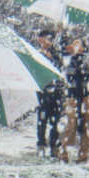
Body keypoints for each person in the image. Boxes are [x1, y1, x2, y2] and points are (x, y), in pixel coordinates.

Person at [58, 37, 89, 163]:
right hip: (72, 96)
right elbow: (68, 75)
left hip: (87, 95)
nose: (75, 46)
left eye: (78, 43)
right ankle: (64, 153)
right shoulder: (67, 59)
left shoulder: (88, 59)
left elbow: (88, 75)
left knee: (86, 126)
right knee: (71, 125)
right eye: (74, 43)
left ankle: (83, 155)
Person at [36, 30, 66, 158]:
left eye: (49, 39)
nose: (46, 42)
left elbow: (60, 67)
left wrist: (51, 58)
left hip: (56, 90)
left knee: (55, 120)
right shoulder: (36, 53)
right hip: (43, 90)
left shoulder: (56, 53)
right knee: (42, 119)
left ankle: (54, 146)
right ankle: (41, 145)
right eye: (43, 39)